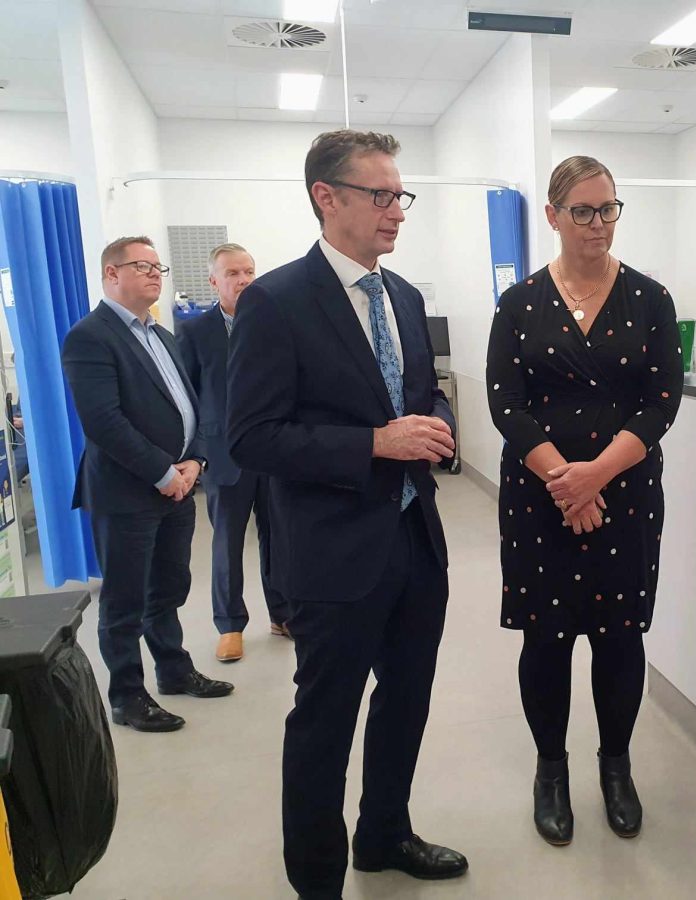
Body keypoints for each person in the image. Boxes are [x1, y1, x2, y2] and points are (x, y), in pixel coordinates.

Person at [226, 130, 465, 898]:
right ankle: (318, 880)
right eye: (381, 195)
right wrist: (374, 442)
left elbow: (416, 392)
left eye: (402, 196)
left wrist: (427, 430)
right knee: (324, 721)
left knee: (406, 700)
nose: (397, 211)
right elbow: (253, 437)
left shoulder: (403, 296)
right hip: (332, 552)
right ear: (327, 198)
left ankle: (384, 833)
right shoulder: (276, 300)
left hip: (413, 538)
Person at [486, 155, 684, 847]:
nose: (597, 224)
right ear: (552, 216)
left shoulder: (651, 300)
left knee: (619, 636)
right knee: (546, 639)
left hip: (624, 495)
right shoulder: (518, 305)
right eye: (582, 211)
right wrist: (563, 481)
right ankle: (550, 771)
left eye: (608, 209)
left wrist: (593, 475)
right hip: (540, 499)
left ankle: (616, 768)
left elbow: (661, 405)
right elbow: (505, 404)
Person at [61, 236, 234, 734]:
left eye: (158, 266)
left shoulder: (160, 334)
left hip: (178, 486)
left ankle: (174, 670)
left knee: (168, 588)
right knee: (124, 600)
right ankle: (127, 695)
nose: (157, 273)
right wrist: (163, 473)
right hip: (128, 492)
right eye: (143, 266)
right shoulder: (89, 337)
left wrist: (195, 460)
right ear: (111, 274)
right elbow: (103, 421)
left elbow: (191, 404)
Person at [177, 243, 290, 663]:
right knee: (227, 543)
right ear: (214, 281)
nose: (243, 280)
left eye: (248, 271)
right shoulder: (193, 333)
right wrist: (196, 453)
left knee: (279, 539)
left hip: (272, 453)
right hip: (224, 457)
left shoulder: (272, 322)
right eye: (233, 274)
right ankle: (229, 625)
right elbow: (186, 398)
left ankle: (283, 614)